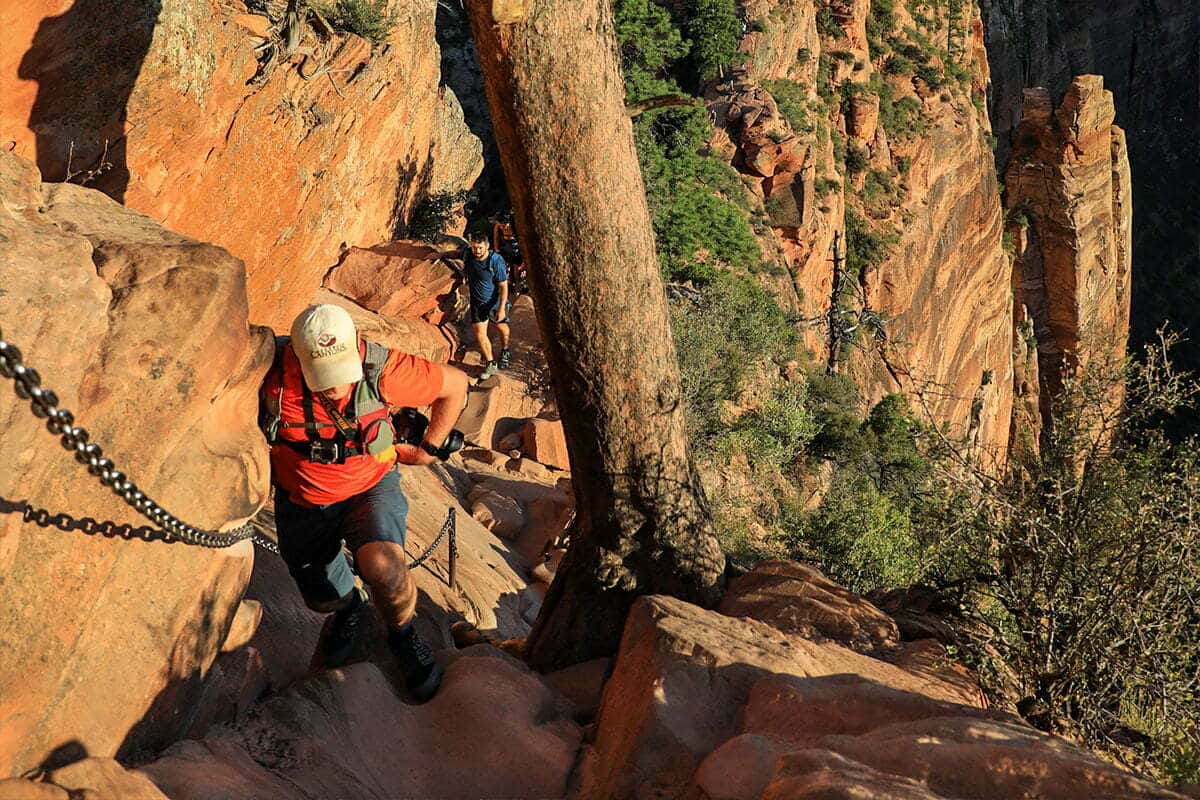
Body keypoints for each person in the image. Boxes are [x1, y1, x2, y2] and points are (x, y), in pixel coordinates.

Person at [260, 304, 469, 702]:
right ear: (299, 359)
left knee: (385, 569)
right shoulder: (272, 378)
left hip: (369, 485)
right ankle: (348, 607)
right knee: (320, 594)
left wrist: (428, 448)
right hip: (303, 498)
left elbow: (455, 386)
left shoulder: (383, 369)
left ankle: (403, 634)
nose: (337, 387)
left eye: (342, 372)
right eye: (324, 376)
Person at [464, 229, 511, 380]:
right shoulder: (468, 254)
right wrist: (440, 255)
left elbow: (504, 286)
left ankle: (505, 349)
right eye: (474, 248)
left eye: (480, 248)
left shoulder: (495, 261)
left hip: (494, 302)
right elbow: (454, 253)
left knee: (501, 328)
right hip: (477, 303)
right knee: (480, 334)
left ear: (487, 246)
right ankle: (491, 364)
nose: (477, 251)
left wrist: (502, 308)